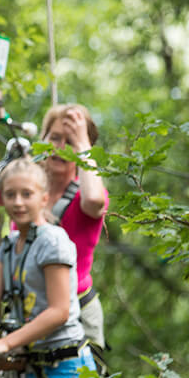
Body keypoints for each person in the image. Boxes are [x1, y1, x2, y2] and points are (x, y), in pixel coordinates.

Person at [0, 158, 96, 378]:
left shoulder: (52, 242)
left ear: (44, 198)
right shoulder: (8, 246)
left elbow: (59, 311)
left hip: (67, 365)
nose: (17, 202)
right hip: (32, 365)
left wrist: (5, 343)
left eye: (27, 194)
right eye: (10, 194)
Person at [40, 104, 108, 355]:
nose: (60, 147)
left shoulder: (86, 194)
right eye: (54, 138)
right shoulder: (28, 195)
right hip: (32, 312)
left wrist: (83, 144)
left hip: (76, 314)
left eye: (70, 141)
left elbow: (94, 201)